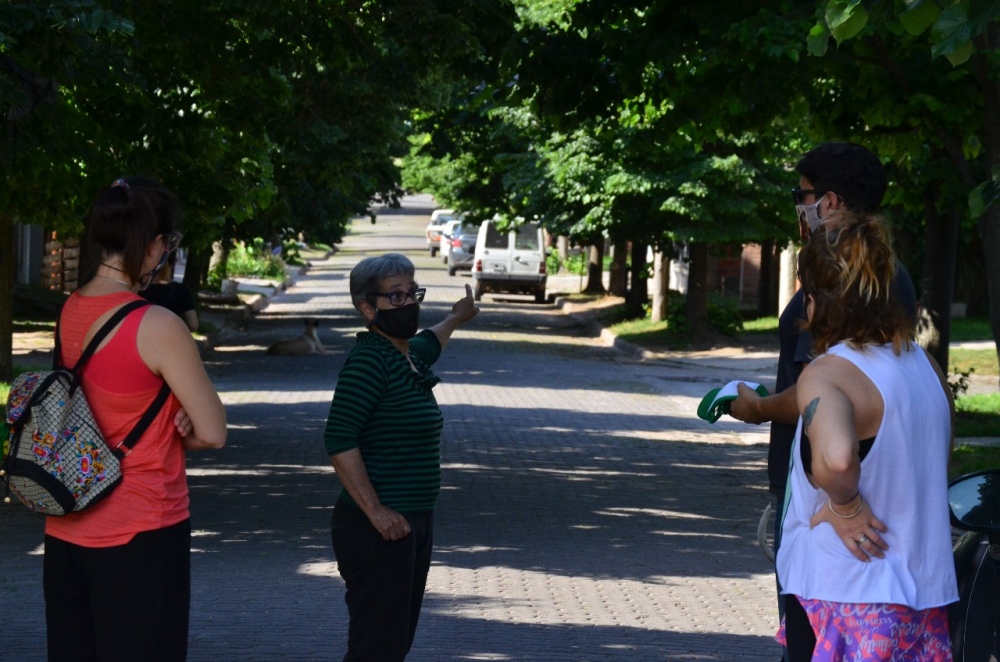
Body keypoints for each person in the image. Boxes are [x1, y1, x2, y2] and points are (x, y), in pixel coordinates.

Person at [727, 142, 917, 658]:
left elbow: (827, 400)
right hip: (855, 517)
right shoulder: (873, 277)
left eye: (801, 194)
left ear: (828, 201)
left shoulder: (846, 276)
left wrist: (761, 407)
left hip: (839, 516)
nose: (797, 206)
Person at [44, 176, 227, 661]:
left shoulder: (70, 310)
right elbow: (212, 431)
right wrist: (178, 422)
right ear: (154, 246)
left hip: (67, 523)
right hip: (143, 527)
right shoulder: (158, 325)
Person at [775, 212, 957, 659]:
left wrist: (845, 505)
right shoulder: (924, 367)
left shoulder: (828, 374)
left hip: (848, 591)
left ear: (814, 301)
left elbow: (837, 461)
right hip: (924, 593)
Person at [323, 253, 479, 661]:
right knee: (377, 648)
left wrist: (458, 316)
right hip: (376, 529)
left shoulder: (406, 355)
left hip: (412, 522)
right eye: (395, 296)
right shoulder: (370, 360)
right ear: (367, 308)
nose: (408, 303)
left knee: (393, 644)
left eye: (412, 293)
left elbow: (432, 339)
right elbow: (340, 438)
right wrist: (376, 511)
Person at [141, 250, 200, 331]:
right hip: (168, 338)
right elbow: (193, 324)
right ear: (171, 264)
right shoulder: (181, 290)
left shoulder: (139, 288)